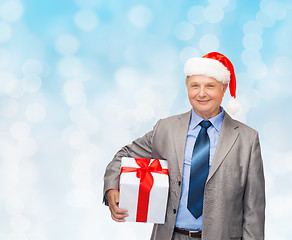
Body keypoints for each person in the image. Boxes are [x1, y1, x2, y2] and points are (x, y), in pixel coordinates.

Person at [103, 52, 265, 240]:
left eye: (210, 86)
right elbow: (124, 155)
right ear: (187, 87)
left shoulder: (247, 139)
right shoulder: (166, 128)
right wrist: (111, 188)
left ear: (224, 88)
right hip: (170, 235)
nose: (201, 93)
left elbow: (254, 209)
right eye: (195, 86)